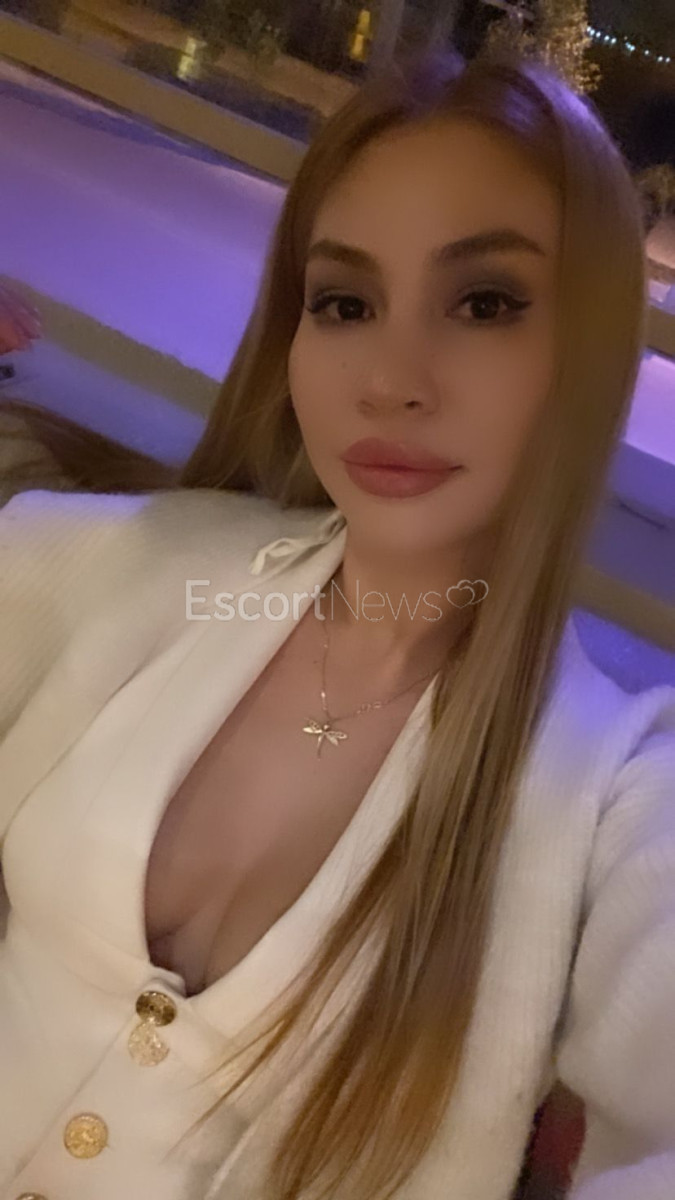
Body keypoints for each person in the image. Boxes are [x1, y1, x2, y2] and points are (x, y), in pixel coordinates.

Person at [0, 43, 674, 1200]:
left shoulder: (613, 800)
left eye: (485, 303)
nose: (390, 380)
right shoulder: (113, 564)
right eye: (346, 303)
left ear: (589, 352)